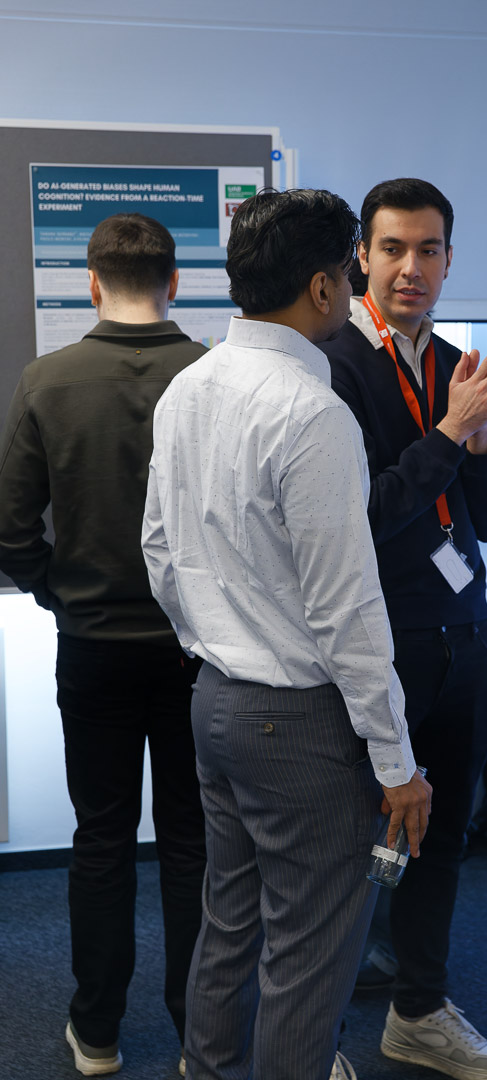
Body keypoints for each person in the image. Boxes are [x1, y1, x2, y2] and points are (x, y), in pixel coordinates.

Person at [141, 188, 432, 1080]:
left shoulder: (189, 387)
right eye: (352, 267)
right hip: (299, 728)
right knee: (310, 959)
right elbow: (347, 612)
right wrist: (397, 764)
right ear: (322, 286)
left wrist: (212, 640)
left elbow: (158, 550)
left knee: (229, 924)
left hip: (215, 703)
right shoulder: (312, 413)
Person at [322, 178, 487, 1080]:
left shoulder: (455, 362)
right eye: (394, 248)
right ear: (361, 258)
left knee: (440, 839)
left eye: (430, 249)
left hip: (463, 637)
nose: (412, 267)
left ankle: (417, 1012)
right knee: (349, 850)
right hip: (378, 644)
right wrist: (450, 429)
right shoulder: (331, 364)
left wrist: (477, 441)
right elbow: (366, 517)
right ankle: (315, 1037)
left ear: (449, 260)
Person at [0, 213, 207, 1077]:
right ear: (175, 282)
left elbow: (11, 532)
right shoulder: (212, 374)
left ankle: (97, 1033)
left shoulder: (45, 380)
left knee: (101, 840)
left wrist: (61, 593)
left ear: (91, 283)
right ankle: (202, 1034)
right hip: (200, 652)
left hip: (92, 647)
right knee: (195, 843)